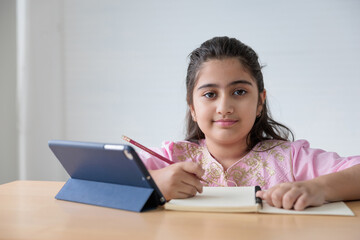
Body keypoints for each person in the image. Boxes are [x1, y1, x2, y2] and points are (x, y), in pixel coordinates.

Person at [138, 36, 360, 211]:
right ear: (192, 108)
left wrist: (319, 188)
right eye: (210, 94)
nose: (224, 107)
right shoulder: (172, 158)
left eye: (239, 91)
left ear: (260, 102)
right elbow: (104, 176)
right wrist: (155, 182)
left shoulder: (290, 160)